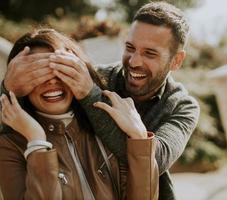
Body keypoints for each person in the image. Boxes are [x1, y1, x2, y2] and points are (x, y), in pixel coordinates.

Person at [2, 2, 200, 199]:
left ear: (176, 60)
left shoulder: (183, 106)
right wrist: (8, 88)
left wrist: (90, 94)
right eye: (130, 47)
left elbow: (156, 160)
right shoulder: (97, 79)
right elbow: (34, 115)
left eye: (150, 53)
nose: (134, 62)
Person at [0, 28, 158, 200]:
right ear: (18, 83)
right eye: (38, 73)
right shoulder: (9, 146)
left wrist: (140, 137)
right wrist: (37, 141)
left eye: (61, 68)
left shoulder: (105, 129)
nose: (52, 80)